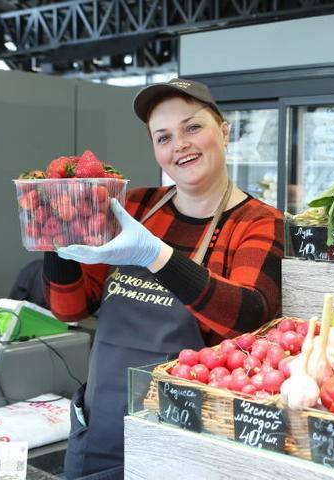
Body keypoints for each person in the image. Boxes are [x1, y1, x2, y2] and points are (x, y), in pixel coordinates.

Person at [42, 78, 283, 479]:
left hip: (190, 441)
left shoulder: (258, 222)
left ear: (223, 131)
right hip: (103, 426)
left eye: (193, 127)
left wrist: (156, 255)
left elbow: (248, 318)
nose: (180, 145)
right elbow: (71, 306)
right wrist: (56, 237)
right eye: (164, 136)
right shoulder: (135, 206)